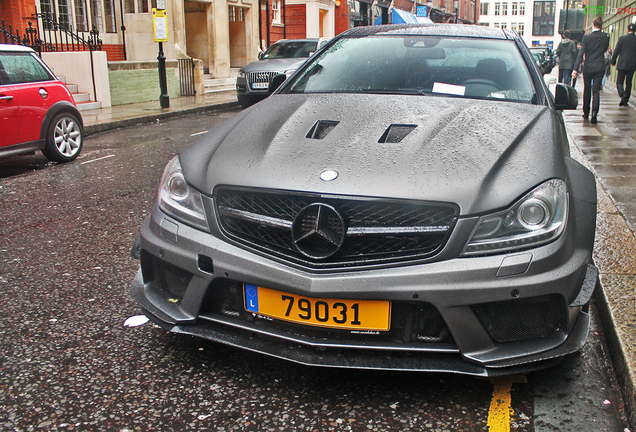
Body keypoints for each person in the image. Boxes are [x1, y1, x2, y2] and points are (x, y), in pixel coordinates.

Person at [573, 17, 610, 123]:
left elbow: (581, 53)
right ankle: (594, 113)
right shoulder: (605, 36)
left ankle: (586, 112)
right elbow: (604, 49)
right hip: (600, 66)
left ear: (593, 24)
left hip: (588, 66)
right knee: (596, 91)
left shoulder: (586, 37)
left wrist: (575, 69)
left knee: (587, 89)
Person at [611, 23, 636, 106]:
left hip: (622, 64)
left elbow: (616, 51)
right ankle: (625, 100)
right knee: (629, 82)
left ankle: (622, 94)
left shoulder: (622, 38)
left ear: (627, 29)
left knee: (619, 82)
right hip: (632, 64)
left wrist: (613, 61)